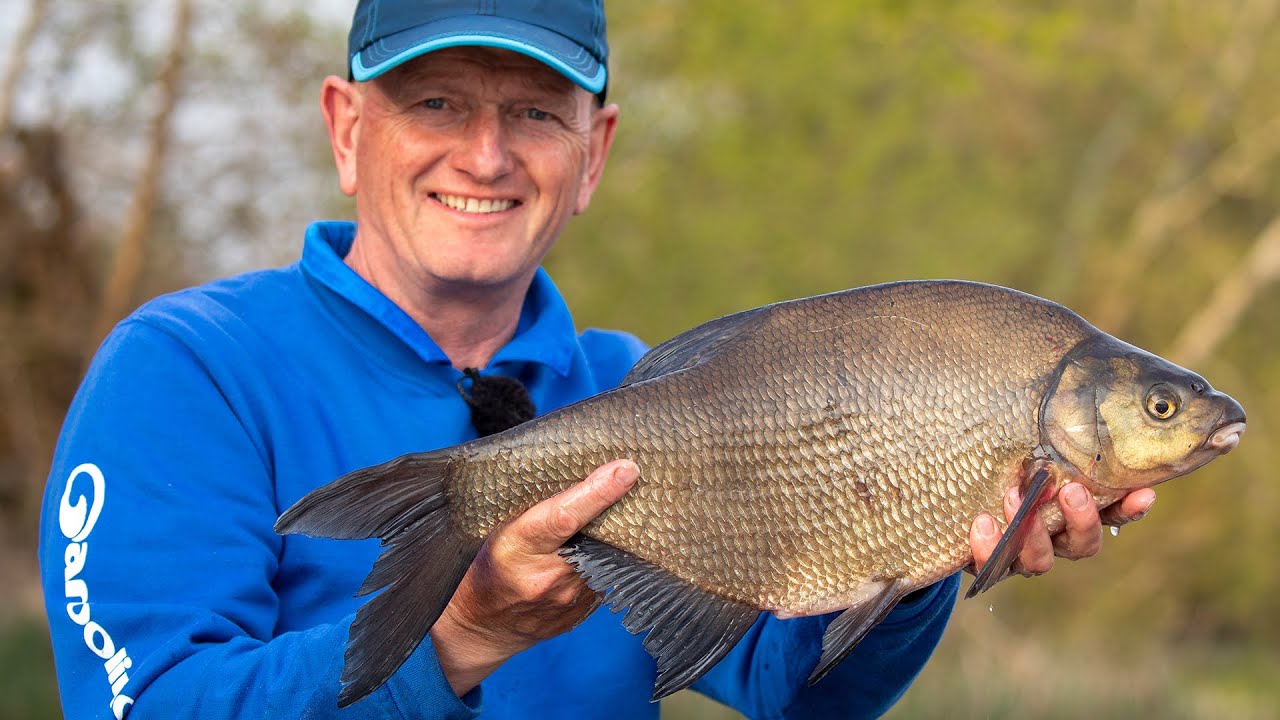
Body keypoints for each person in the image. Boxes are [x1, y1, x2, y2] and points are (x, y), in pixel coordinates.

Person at [38, 1, 1157, 718]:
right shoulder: (184, 374)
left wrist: (923, 558)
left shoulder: (642, 384)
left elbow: (786, 690)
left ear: (592, 153)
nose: (484, 153)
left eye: (532, 111)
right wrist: (462, 635)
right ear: (344, 128)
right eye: (435, 101)